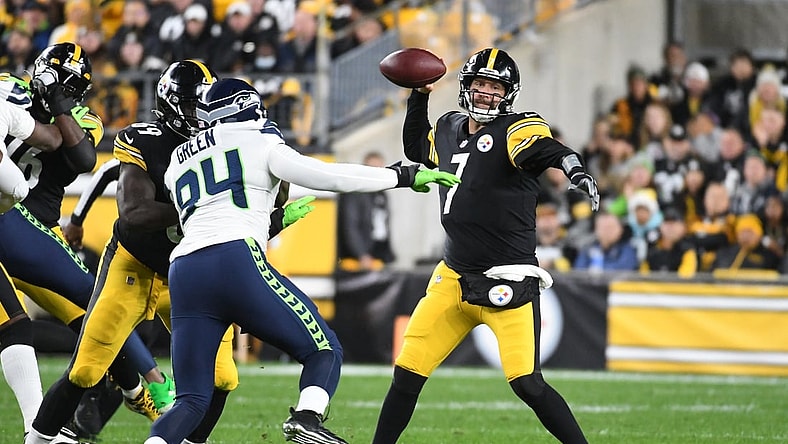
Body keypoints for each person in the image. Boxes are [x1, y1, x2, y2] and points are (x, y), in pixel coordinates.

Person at [143, 78, 459, 444]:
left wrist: (271, 220)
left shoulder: (178, 163)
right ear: (248, 107)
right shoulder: (258, 140)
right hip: (233, 260)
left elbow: (212, 207)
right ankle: (307, 418)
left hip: (184, 269)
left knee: (191, 400)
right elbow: (327, 176)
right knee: (323, 349)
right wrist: (401, 175)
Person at [371, 47, 594, 444]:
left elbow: (548, 150)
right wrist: (418, 94)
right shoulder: (449, 126)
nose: (486, 93)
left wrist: (574, 169)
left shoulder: (516, 130)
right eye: (479, 84)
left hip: (505, 279)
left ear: (508, 94)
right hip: (453, 277)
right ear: (466, 87)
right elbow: (416, 149)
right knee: (407, 373)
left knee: (527, 383)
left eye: (494, 87)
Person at [24, 60, 239, 444]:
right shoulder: (145, 138)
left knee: (222, 376)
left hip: (189, 271)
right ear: (172, 104)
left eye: (205, 104)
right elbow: (136, 213)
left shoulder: (225, 142)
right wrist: (202, 207)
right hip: (134, 266)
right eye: (193, 105)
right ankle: (37, 440)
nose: (201, 113)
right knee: (86, 370)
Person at [0, 42, 168, 441]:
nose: (61, 87)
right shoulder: (8, 89)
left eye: (69, 85)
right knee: (55, 308)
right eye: (60, 80)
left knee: (92, 314)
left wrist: (57, 104)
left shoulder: (81, 118)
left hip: (38, 229)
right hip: (11, 220)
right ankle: (145, 384)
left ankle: (139, 388)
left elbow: (82, 158)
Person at [0, 82, 64, 440]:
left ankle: (38, 432)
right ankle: (38, 433)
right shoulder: (6, 109)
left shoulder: (7, 108)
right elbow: (15, 187)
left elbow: (50, 139)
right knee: (15, 326)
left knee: (15, 325)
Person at [336, 150, 396, 272]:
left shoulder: (382, 195)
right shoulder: (355, 193)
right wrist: (361, 254)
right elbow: (350, 226)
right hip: (358, 258)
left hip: (379, 252)